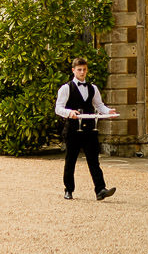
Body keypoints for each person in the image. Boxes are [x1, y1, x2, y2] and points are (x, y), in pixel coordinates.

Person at [55, 57, 117, 201]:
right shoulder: (66, 88)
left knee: (94, 160)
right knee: (70, 160)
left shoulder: (92, 88)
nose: (82, 72)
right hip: (73, 130)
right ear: (73, 70)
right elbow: (58, 108)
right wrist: (69, 112)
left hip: (89, 129)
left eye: (84, 70)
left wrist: (108, 112)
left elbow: (99, 105)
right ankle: (68, 190)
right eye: (79, 70)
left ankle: (100, 189)